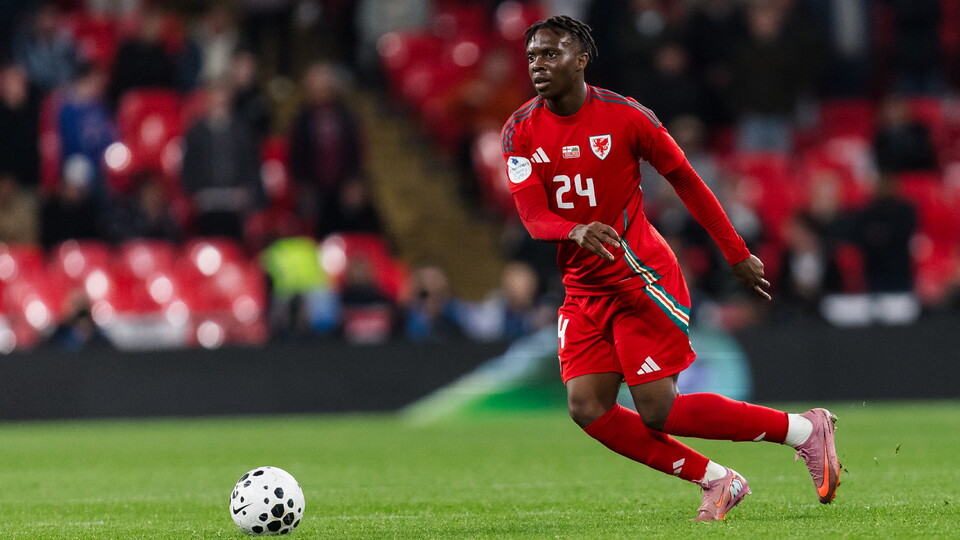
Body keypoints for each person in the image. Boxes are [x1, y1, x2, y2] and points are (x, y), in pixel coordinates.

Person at [500, 16, 840, 521]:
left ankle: (804, 430)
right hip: (583, 287)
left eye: (551, 54)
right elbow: (532, 215)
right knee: (587, 406)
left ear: (581, 59)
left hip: (640, 278)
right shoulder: (520, 129)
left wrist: (735, 252)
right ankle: (718, 479)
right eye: (532, 56)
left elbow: (687, 181)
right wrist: (573, 231)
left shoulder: (626, 117)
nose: (538, 65)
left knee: (659, 410)